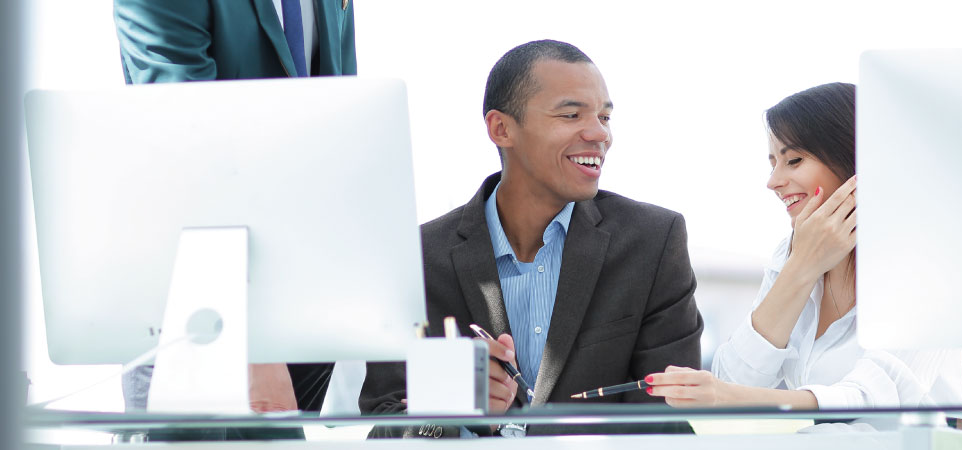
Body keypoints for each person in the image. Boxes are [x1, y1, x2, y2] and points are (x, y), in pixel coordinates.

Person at [359, 40, 704, 437]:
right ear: (501, 128)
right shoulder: (416, 257)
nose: (599, 134)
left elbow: (667, 420)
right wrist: (448, 411)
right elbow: (382, 421)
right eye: (572, 114)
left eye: (605, 117)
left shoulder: (653, 242)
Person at [644, 83, 962, 410]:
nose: (773, 182)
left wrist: (731, 396)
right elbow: (734, 378)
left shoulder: (929, 262)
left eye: (793, 160)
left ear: (854, 159)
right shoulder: (791, 254)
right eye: (773, 163)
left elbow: (876, 399)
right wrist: (801, 268)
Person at [112, 0, 357, 417]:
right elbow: (186, 143)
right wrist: (253, 341)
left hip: (303, 312)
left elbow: (345, 118)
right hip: (193, 310)